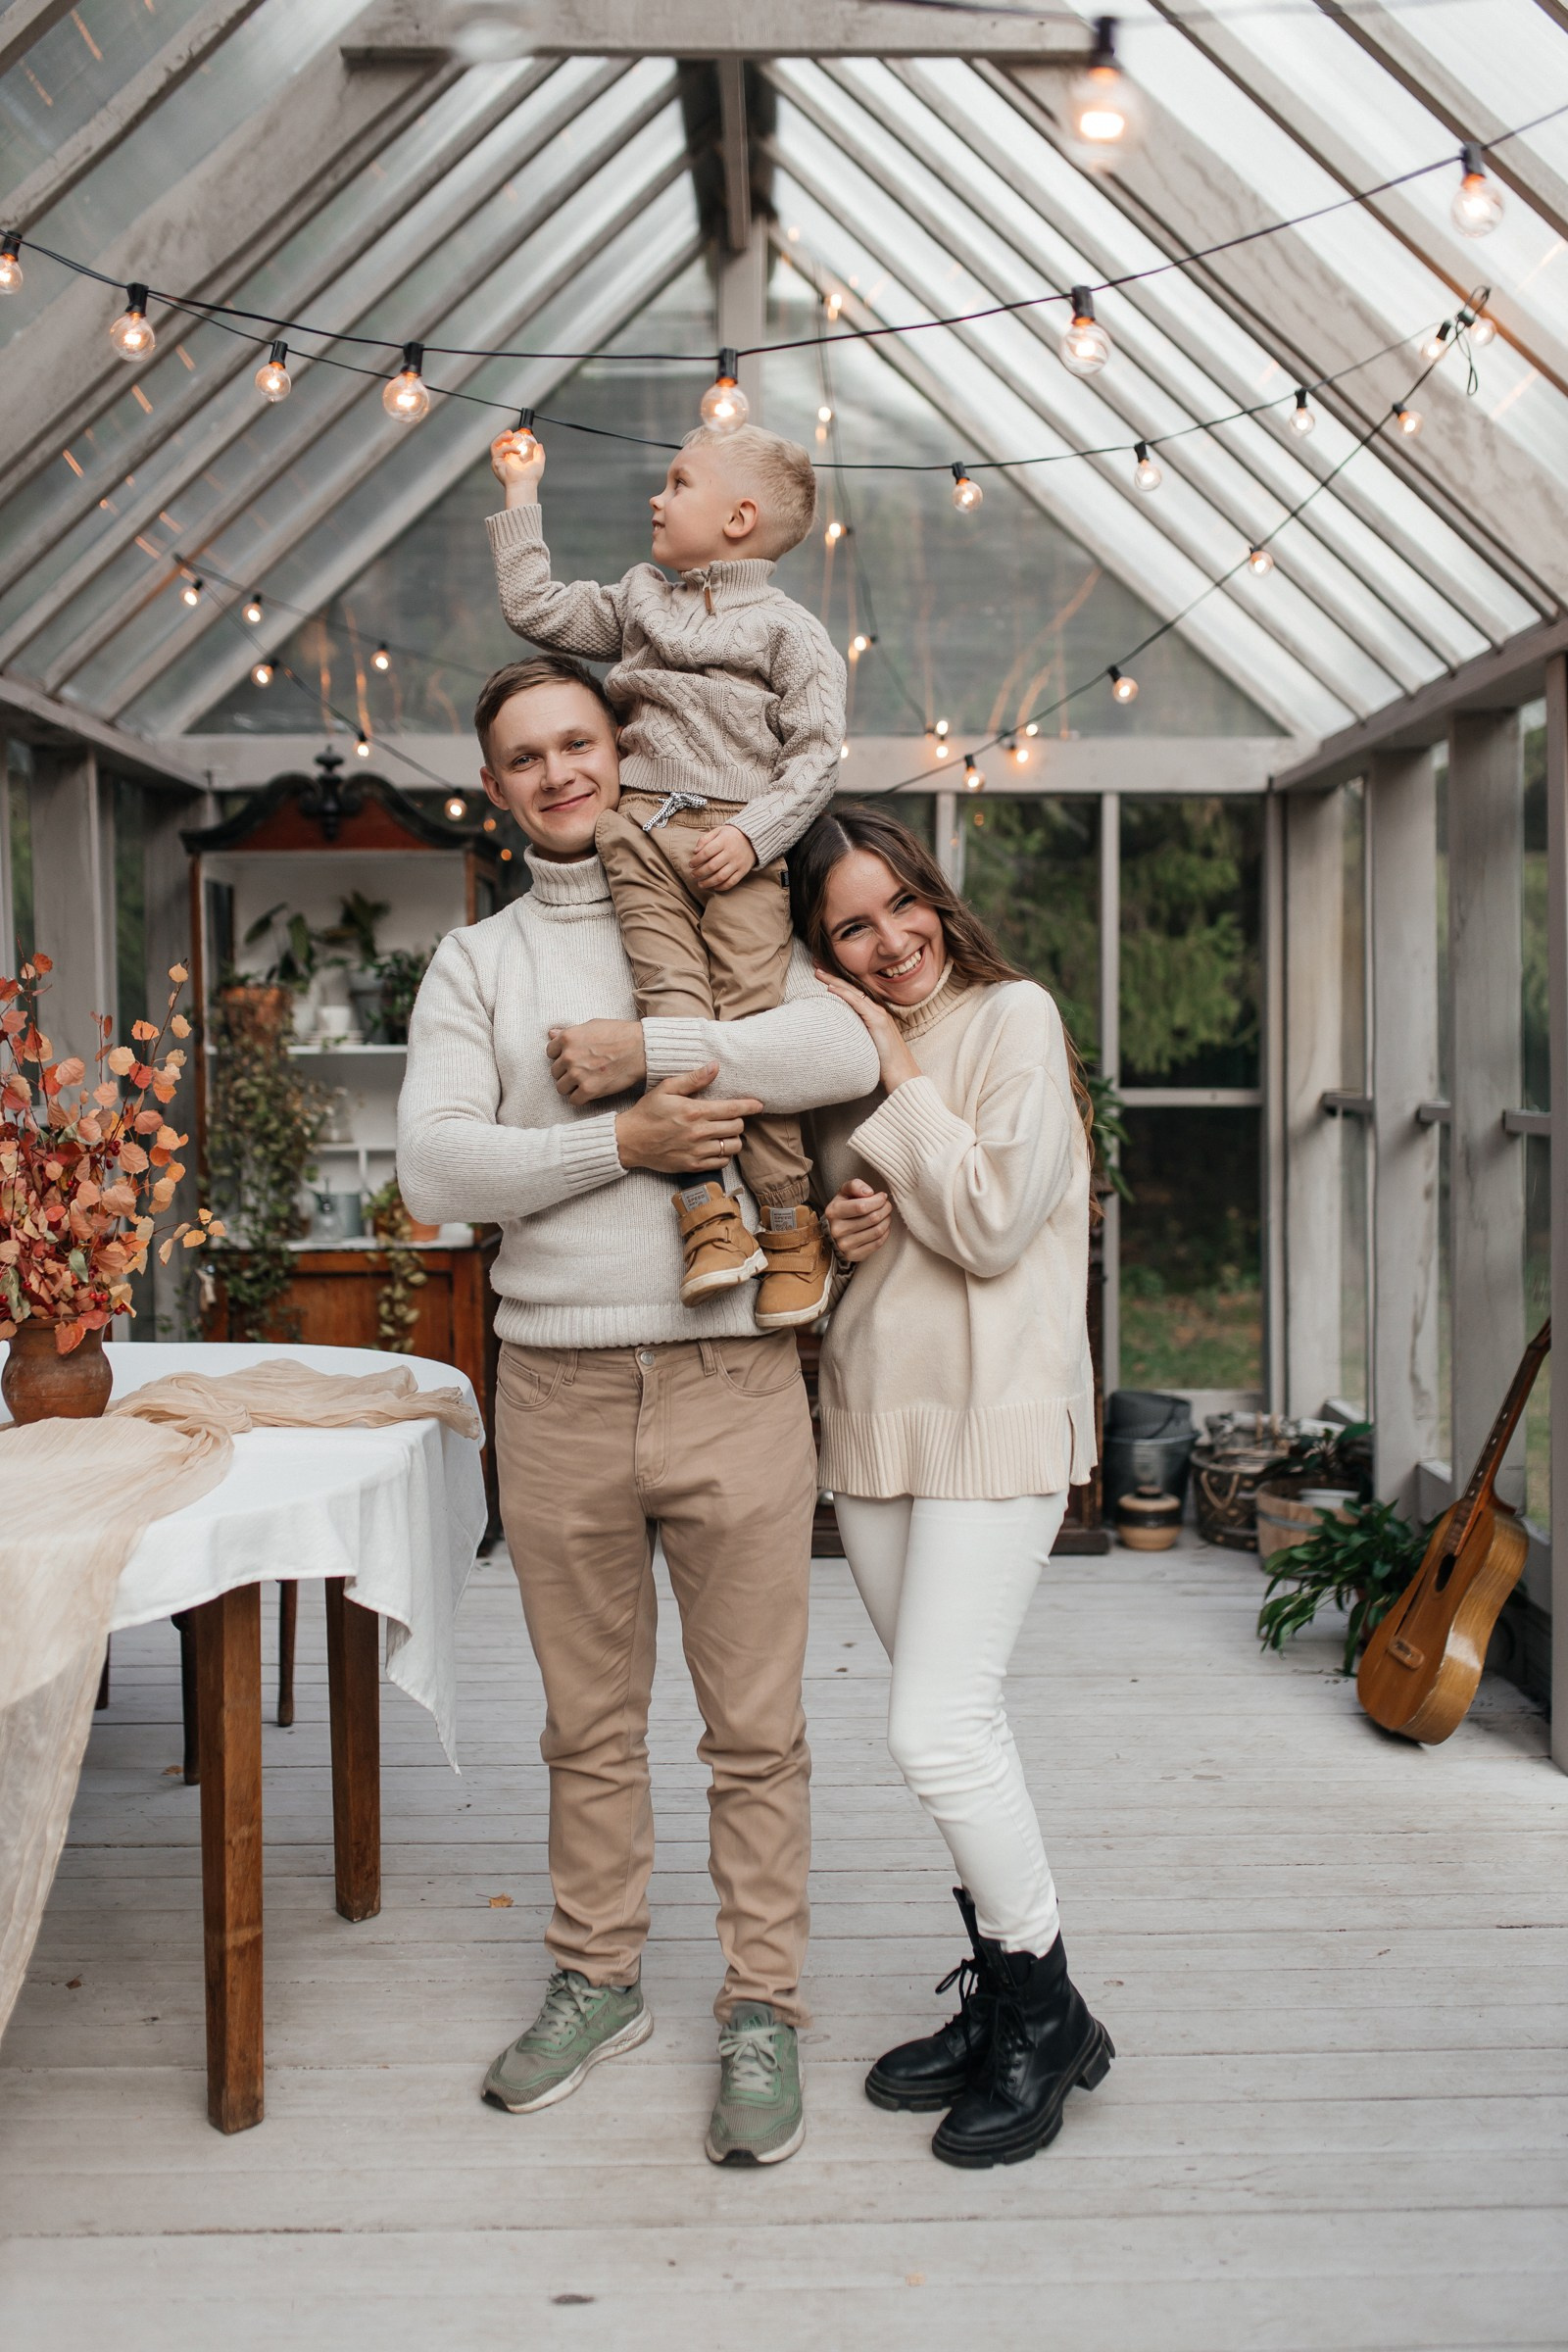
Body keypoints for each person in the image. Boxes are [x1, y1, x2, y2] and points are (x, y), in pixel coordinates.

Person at [397, 657, 879, 2167]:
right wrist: (627, 1142)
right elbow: (436, 1173)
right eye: (526, 756)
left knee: (758, 1732)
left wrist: (663, 1053)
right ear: (498, 787)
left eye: (579, 743)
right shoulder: (477, 966)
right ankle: (599, 1982)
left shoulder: (723, 906)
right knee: (586, 1730)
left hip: (735, 1380)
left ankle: (763, 2009)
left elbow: (843, 1046)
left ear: (624, 748)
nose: (558, 774)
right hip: (553, 1386)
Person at [791, 802, 1115, 2171]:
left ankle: (1046, 2013)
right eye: (849, 928)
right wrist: (844, 1224)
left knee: (935, 1730)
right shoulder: (827, 1055)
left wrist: (890, 1067)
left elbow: (988, 1226)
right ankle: (1012, 2006)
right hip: (875, 1420)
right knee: (957, 1727)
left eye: (898, 905)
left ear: (934, 894)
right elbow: (862, 1233)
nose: (887, 942)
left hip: (995, 1418)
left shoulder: (1015, 1017)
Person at [484, 416, 843, 1329]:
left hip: (734, 850)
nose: (657, 496)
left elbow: (816, 756)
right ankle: (707, 1214)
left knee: (747, 1027)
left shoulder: (791, 634)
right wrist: (521, 495)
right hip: (637, 832)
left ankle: (790, 1225)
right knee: (673, 1015)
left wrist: (758, 837)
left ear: (738, 518)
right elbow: (538, 613)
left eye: (680, 483)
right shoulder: (641, 597)